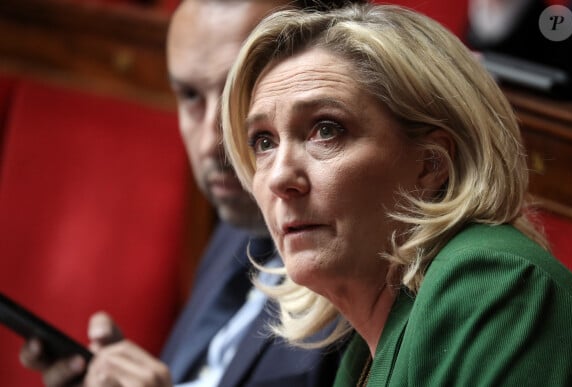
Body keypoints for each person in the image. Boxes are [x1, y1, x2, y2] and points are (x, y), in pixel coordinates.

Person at [221, 3, 572, 386]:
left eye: (326, 130)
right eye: (263, 141)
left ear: (431, 164)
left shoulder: (495, 286)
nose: (279, 177)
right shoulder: (364, 347)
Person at [18, 0, 365, 386]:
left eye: (244, 92)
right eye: (190, 96)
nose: (210, 143)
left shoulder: (368, 274)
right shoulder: (239, 222)